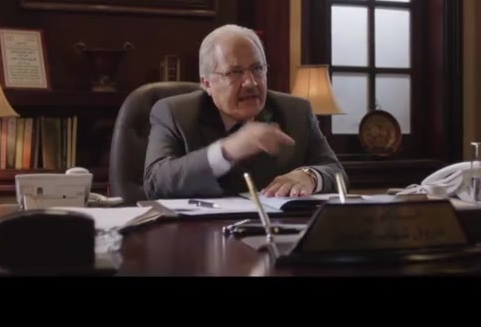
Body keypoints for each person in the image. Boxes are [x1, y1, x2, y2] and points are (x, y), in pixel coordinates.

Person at [143, 24, 347, 200]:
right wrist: (226, 151)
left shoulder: (296, 112)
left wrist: (310, 176)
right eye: (235, 72)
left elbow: (336, 172)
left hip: (277, 229)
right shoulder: (175, 113)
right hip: (203, 230)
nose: (250, 83)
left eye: (257, 69)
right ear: (206, 83)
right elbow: (155, 183)